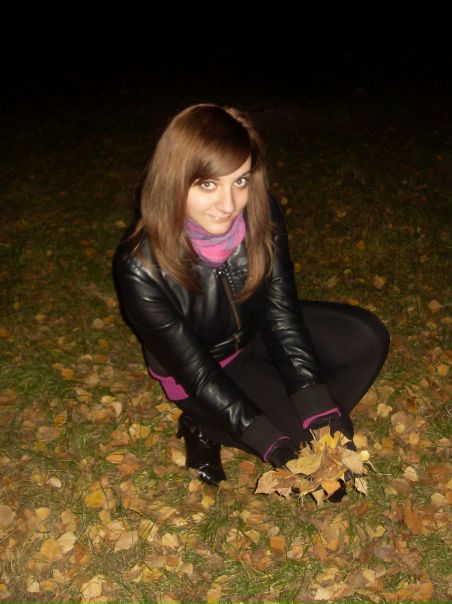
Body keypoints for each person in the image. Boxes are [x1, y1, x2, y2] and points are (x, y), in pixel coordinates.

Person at [113, 103, 390, 492]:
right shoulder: (140, 265)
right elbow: (197, 373)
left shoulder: (262, 213)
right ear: (175, 179)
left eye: (240, 181)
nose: (229, 204)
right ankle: (203, 423)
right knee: (330, 483)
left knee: (367, 339)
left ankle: (275, 400)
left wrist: (316, 406)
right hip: (204, 371)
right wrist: (268, 439)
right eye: (208, 184)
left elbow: (280, 313)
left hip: (256, 334)